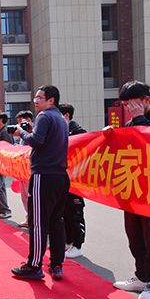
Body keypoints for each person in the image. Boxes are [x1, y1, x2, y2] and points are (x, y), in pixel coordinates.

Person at [112, 81, 150, 299]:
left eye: (132, 103)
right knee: (134, 236)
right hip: (133, 189)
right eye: (125, 104)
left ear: (146, 99)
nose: (129, 108)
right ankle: (141, 276)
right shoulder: (129, 123)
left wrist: (139, 119)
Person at [11, 85, 70, 281]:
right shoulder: (61, 119)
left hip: (43, 175)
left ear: (51, 100)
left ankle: (34, 265)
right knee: (56, 221)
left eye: (39, 98)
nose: (35, 101)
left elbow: (36, 141)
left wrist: (21, 133)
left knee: (37, 223)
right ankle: (57, 264)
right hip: (60, 176)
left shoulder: (44, 116)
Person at [58, 103, 87, 258]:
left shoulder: (78, 131)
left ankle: (77, 244)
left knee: (75, 213)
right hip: (62, 179)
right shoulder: (59, 131)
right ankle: (68, 241)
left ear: (66, 116)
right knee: (65, 212)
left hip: (75, 180)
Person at [14, 110, 34, 229]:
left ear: (29, 120)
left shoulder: (34, 132)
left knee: (31, 196)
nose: (19, 125)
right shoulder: (22, 134)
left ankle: (33, 219)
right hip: (22, 170)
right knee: (24, 196)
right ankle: (29, 217)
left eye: (21, 122)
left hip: (30, 170)